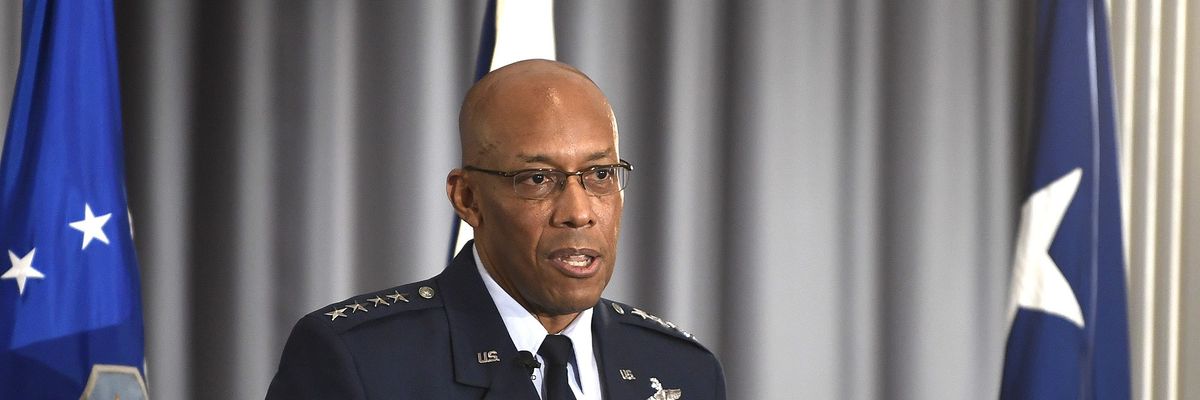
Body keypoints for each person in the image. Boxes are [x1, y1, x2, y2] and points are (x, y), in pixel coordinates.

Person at [266, 59, 726, 399]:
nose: (579, 211)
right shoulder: (359, 362)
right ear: (467, 199)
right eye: (538, 179)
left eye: (600, 174)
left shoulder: (684, 371)